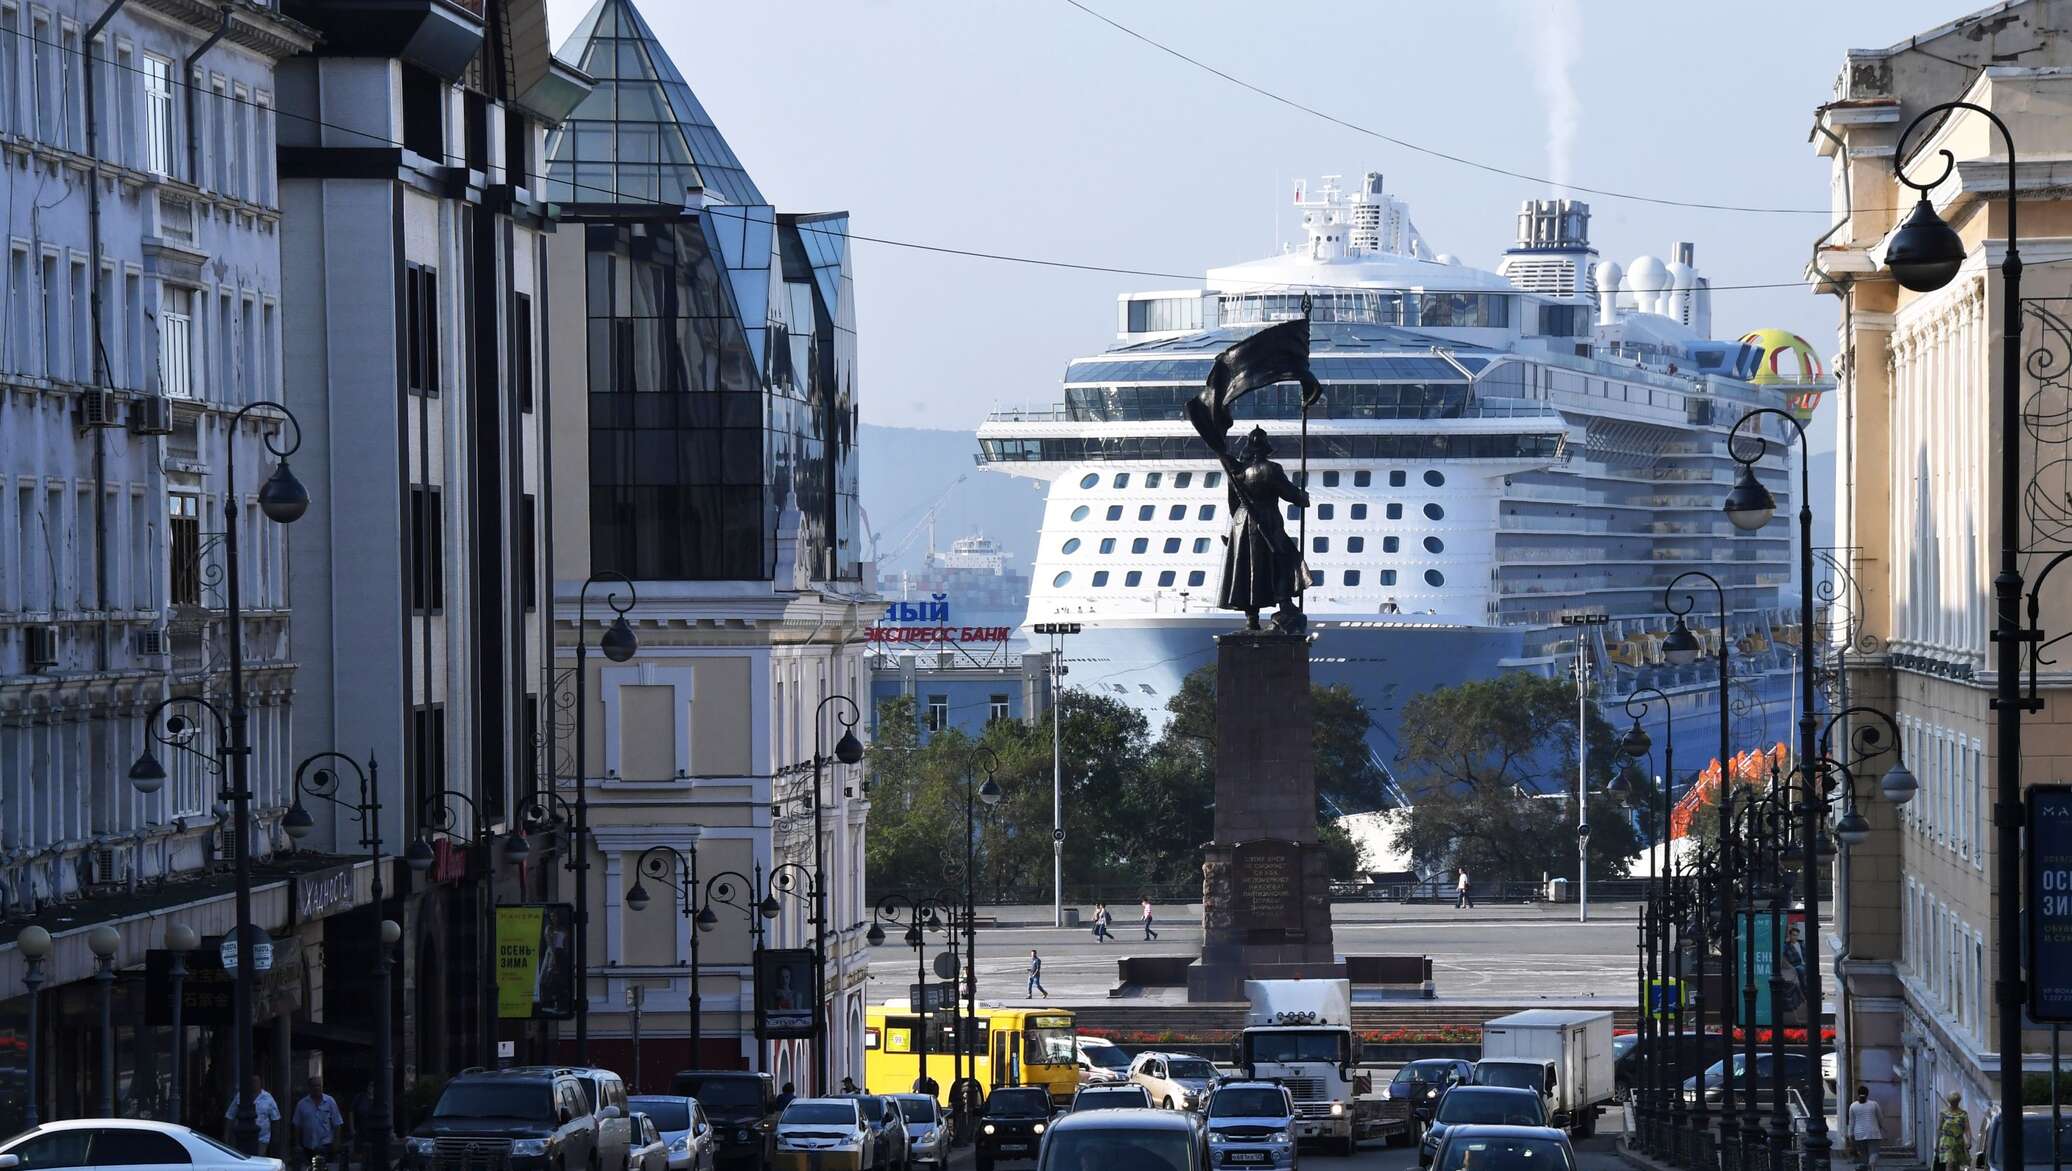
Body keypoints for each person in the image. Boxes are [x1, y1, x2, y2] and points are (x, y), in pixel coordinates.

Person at [293, 1076, 346, 1171]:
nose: (317, 1088)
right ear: (309, 1087)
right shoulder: (302, 1104)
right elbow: (297, 1125)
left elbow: (337, 1124)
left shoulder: (330, 1102)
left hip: (326, 1146)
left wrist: (336, 1142)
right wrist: (297, 1145)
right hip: (308, 1146)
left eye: (319, 1085)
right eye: (314, 1086)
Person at [225, 1075, 283, 1156]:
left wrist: (275, 1139)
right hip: (242, 1138)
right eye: (252, 1082)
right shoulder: (240, 1095)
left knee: (258, 1160)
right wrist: (226, 1138)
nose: (254, 1084)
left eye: (256, 1081)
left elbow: (276, 1118)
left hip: (262, 1139)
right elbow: (230, 1115)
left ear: (260, 1083)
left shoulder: (268, 1098)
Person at [1847, 1085, 1884, 1170]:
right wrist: (1881, 1127)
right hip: (1873, 1133)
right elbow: (1880, 1118)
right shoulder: (1874, 1104)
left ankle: (1866, 1168)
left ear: (1858, 1094)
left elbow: (1851, 1122)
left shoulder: (1853, 1106)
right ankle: (1872, 1166)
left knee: (1864, 1156)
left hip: (1859, 1135)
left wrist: (1850, 1135)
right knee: (1874, 1153)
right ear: (1867, 1094)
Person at [1936, 1092, 1972, 1171]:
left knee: (1956, 1166)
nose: (1954, 1104)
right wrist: (1937, 1144)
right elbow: (1939, 1129)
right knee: (1950, 1163)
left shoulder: (1963, 1114)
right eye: (1953, 1102)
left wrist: (1969, 1141)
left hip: (1958, 1142)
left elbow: (1967, 1129)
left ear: (1958, 1102)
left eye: (1956, 1102)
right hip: (1946, 1143)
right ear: (1949, 1102)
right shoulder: (1943, 1113)